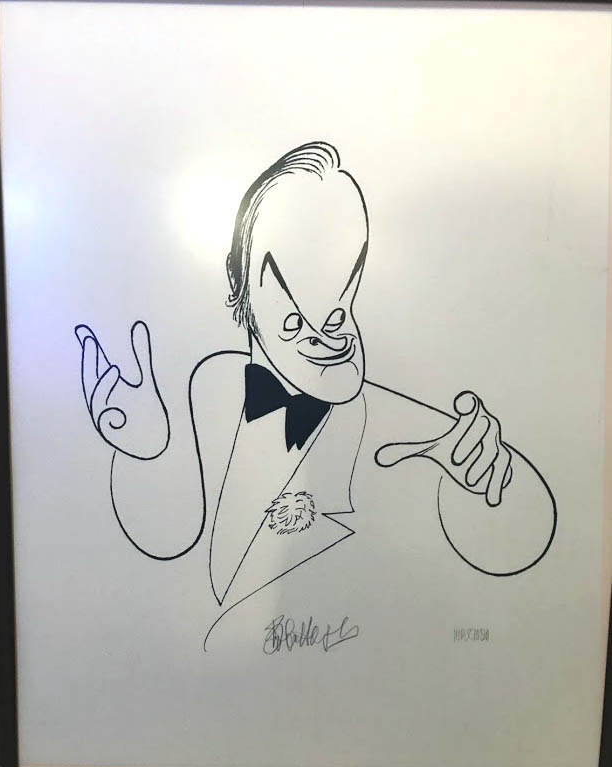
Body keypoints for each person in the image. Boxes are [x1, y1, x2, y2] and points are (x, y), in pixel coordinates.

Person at [75, 142, 556, 651]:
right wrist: (144, 455)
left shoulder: (398, 428)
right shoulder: (208, 383)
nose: (325, 330)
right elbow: (165, 536)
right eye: (293, 310)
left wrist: (492, 479)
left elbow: (521, 539)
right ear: (239, 283)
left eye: (342, 293)